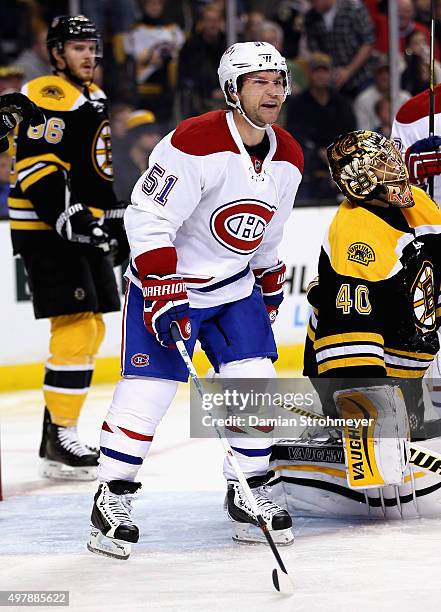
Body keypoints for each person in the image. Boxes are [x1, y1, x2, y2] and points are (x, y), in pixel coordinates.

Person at [87, 41, 304, 559]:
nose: (273, 90)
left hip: (233, 289)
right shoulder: (194, 141)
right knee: (148, 395)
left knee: (254, 384)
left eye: (277, 81)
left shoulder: (289, 155)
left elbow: (268, 229)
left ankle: (247, 489)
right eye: (259, 81)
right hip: (168, 286)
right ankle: (111, 496)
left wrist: (268, 275)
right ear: (233, 90)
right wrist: (163, 286)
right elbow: (148, 217)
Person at [8, 15, 128, 481]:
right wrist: (70, 217)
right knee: (76, 326)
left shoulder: (91, 96)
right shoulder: (46, 93)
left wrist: (110, 215)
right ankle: (60, 434)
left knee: (91, 329)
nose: (87, 55)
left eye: (91, 47)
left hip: (75, 223)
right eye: (76, 47)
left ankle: (56, 434)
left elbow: (92, 167)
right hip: (46, 228)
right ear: (56, 53)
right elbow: (37, 167)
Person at [303, 130, 441, 441]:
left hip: (411, 362)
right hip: (358, 367)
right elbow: (350, 345)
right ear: (359, 181)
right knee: (383, 442)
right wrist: (369, 415)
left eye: (392, 157)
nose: (395, 166)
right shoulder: (356, 235)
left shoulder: (418, 202)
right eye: (381, 164)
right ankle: (343, 427)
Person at [286, 52, 356, 203]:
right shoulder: (298, 104)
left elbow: (351, 134)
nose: (321, 76)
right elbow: (295, 134)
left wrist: (335, 156)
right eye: (316, 71)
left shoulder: (342, 104)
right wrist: (319, 151)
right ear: (310, 75)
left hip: (339, 160)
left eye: (324, 71)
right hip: (309, 161)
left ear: (331, 75)